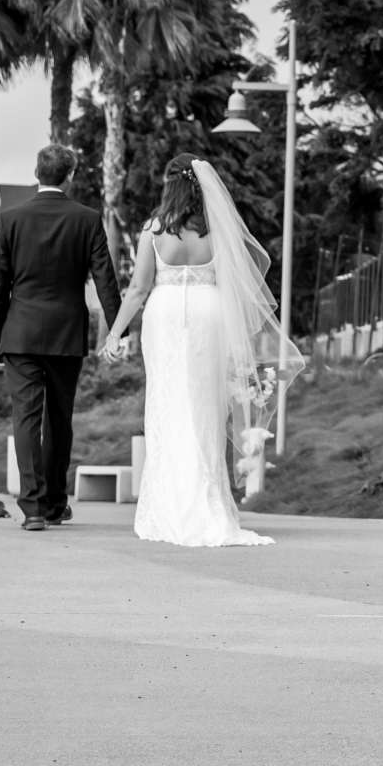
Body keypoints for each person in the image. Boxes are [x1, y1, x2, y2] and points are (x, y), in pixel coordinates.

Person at [99, 154, 305, 548]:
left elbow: (139, 289)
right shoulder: (217, 232)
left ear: (169, 185)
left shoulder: (154, 230)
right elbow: (237, 284)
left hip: (166, 316)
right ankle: (209, 503)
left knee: (169, 403)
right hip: (211, 315)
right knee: (207, 406)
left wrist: (115, 333)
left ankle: (173, 504)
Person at [0, 143, 121, 533]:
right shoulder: (87, 219)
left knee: (25, 418)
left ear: (36, 172)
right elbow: (105, 277)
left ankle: (33, 509)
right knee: (59, 419)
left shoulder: (10, 218)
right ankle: (57, 503)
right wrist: (118, 328)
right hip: (66, 333)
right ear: (71, 175)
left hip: (20, 333)